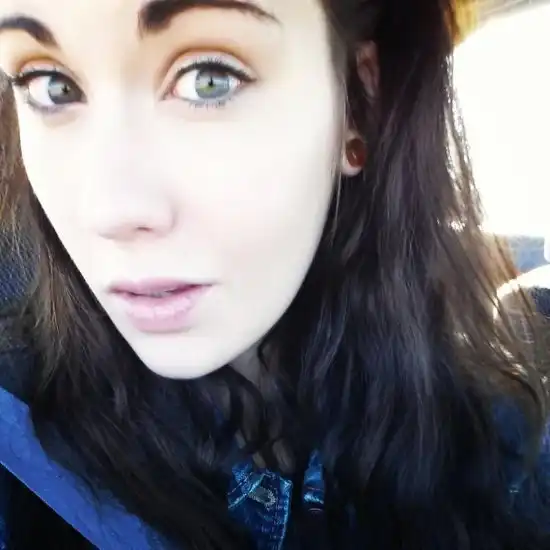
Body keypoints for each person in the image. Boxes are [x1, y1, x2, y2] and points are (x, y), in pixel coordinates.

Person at [0, 0, 547, 548]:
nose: (110, 212)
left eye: (209, 79)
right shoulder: (18, 442)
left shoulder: (492, 438)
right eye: (52, 87)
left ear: (360, 104)